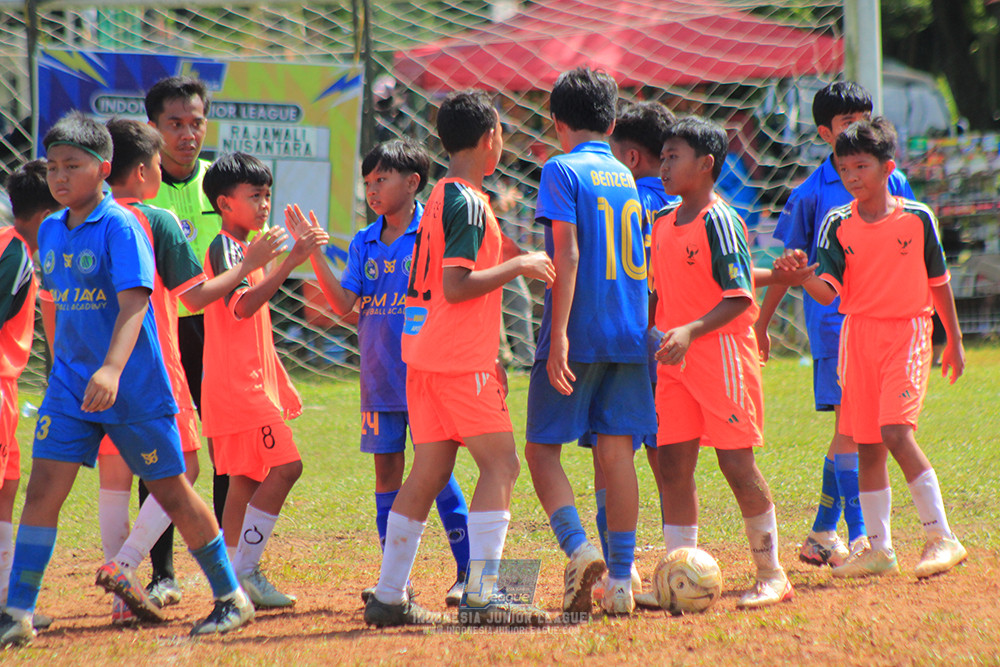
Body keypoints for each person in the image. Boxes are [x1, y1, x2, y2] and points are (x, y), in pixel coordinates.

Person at [0, 112, 253, 647]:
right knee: (43, 489)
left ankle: (231, 596)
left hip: (132, 386)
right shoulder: (49, 228)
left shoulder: (121, 226)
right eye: (54, 169)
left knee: (173, 490)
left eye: (73, 166)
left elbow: (135, 304)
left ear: (104, 168)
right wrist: (64, 371)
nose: (61, 178)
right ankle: (17, 611)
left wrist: (113, 368)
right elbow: (60, 308)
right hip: (72, 386)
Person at [362, 90, 554, 628]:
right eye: (501, 133)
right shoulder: (469, 200)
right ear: (490, 136)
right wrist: (524, 265)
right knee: (502, 464)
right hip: (455, 362)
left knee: (427, 472)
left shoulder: (445, 195)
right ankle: (487, 595)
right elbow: (457, 285)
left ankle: (389, 595)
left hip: (423, 358)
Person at [96, 119, 283, 624]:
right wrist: (248, 268)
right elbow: (196, 297)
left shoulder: (87, 220)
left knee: (114, 479)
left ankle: (120, 598)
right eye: (158, 163)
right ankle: (127, 566)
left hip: (96, 367)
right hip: (153, 365)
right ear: (142, 169)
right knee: (190, 471)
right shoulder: (155, 221)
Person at [288, 138, 471, 606]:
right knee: (386, 470)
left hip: (426, 373)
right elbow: (344, 304)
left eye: (381, 180)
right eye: (367, 182)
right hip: (379, 376)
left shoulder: (435, 232)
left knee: (436, 470)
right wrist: (313, 254)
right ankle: (396, 578)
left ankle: (469, 572)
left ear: (413, 183)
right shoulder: (365, 242)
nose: (372, 189)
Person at [784, 117, 967, 579]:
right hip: (858, 337)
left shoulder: (917, 218)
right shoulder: (837, 223)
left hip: (906, 332)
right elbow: (829, 290)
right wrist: (802, 274)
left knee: (894, 433)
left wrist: (954, 340)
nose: (851, 177)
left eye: (860, 166)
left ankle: (941, 536)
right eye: (843, 168)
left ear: (888, 168)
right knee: (867, 444)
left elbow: (939, 283)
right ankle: (880, 549)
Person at [756, 82, 914, 568]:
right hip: (836, 328)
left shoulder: (895, 181)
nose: (858, 129)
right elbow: (792, 264)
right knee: (856, 429)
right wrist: (762, 322)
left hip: (889, 324)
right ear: (825, 132)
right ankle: (857, 534)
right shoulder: (810, 193)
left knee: (856, 429)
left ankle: (826, 532)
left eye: (864, 118)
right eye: (847, 122)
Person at [524, 67, 656, 617]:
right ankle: (622, 581)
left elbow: (568, 253)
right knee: (617, 450)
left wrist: (556, 334)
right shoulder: (627, 177)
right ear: (613, 121)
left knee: (539, 448)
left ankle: (580, 550)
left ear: (557, 123)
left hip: (579, 328)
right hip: (630, 330)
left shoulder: (560, 168)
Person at [652, 116, 798, 609]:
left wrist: (690, 331)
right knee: (673, 464)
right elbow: (659, 295)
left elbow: (738, 297)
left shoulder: (721, 220)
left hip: (720, 354)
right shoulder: (662, 224)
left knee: (736, 464)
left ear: (706, 164)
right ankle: (679, 572)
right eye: (664, 155)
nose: (665, 164)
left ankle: (772, 573)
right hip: (674, 361)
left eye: (675, 155)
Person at [200, 152, 327, 609]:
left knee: (245, 480)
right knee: (287, 467)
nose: (264, 204)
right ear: (224, 203)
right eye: (254, 195)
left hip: (242, 384)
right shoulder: (228, 248)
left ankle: (235, 578)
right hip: (238, 387)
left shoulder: (244, 249)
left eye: (267, 194)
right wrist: (290, 260)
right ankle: (245, 570)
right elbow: (241, 306)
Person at [580, 99, 677, 608]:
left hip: (629, 339)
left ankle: (625, 569)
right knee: (669, 462)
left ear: (632, 157)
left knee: (610, 455)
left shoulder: (624, 197)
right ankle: (678, 559)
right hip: (675, 342)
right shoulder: (682, 198)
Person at [142, 75, 225, 606]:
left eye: (196, 122)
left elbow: (245, 254)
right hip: (160, 335)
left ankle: (233, 558)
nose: (187, 133)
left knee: (226, 447)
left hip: (217, 332)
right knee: (160, 450)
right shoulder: (137, 190)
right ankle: (161, 571)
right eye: (175, 123)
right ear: (153, 127)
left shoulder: (222, 181)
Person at [0, 161, 58, 632]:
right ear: (47, 215)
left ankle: (6, 599)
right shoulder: (15, 253)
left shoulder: (14, 248)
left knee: (8, 486)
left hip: (10, 389)